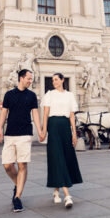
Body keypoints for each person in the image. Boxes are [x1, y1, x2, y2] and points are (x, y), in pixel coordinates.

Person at [0, 69, 43, 213]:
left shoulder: (32, 95)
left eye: (31, 79)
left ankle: (17, 198)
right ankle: (18, 184)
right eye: (29, 78)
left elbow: (35, 113)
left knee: (22, 164)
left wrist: (40, 130)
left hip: (25, 134)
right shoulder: (9, 95)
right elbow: (4, 112)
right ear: (21, 78)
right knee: (7, 165)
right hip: (10, 134)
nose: (31, 81)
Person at [41, 73, 83, 208]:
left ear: (62, 80)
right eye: (53, 80)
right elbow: (46, 114)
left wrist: (74, 134)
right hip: (53, 126)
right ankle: (67, 195)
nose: (54, 82)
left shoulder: (70, 95)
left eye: (56, 79)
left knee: (64, 157)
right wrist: (43, 131)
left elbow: (71, 116)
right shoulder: (49, 94)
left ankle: (55, 192)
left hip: (65, 126)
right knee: (57, 157)